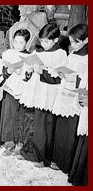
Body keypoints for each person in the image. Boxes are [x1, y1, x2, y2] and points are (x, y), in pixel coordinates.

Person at [18, 24, 68, 168]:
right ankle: (28, 151)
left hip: (47, 93)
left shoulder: (60, 54)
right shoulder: (38, 50)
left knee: (43, 127)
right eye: (42, 41)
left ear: (56, 39)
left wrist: (42, 72)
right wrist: (28, 70)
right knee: (30, 121)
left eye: (47, 41)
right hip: (33, 91)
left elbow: (59, 78)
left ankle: (41, 157)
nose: (43, 44)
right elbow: (29, 68)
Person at [54, 24, 88, 180]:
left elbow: (86, 82)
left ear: (86, 39)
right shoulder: (73, 54)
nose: (72, 45)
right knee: (61, 128)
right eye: (71, 42)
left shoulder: (87, 58)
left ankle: (67, 163)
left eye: (76, 42)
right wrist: (61, 73)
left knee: (70, 132)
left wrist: (75, 79)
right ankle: (59, 160)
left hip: (76, 98)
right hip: (65, 93)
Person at [0, 29, 32, 156]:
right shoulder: (8, 53)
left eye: (21, 43)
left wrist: (24, 73)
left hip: (23, 90)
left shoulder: (29, 56)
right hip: (10, 88)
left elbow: (29, 76)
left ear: (26, 44)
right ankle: (9, 143)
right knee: (8, 116)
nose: (18, 45)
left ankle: (20, 143)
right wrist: (8, 70)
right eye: (16, 42)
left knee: (21, 117)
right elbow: (2, 72)